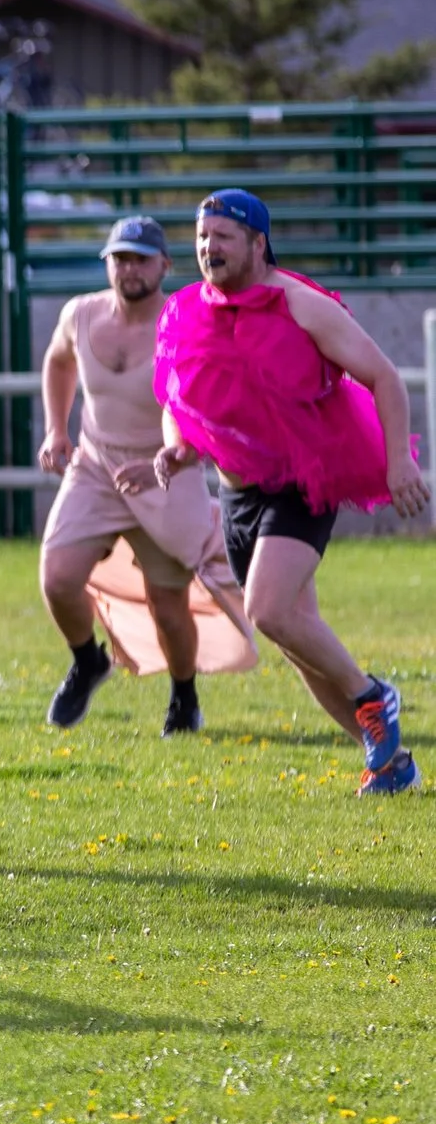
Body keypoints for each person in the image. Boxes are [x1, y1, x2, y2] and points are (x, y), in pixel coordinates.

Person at [152, 188, 430, 792]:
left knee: (269, 609)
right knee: (294, 635)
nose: (208, 248)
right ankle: (389, 763)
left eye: (222, 236)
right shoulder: (186, 309)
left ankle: (373, 695)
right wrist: (177, 445)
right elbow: (178, 398)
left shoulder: (302, 305)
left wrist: (399, 464)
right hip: (236, 496)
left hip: (303, 482)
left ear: (258, 243)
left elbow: (384, 377)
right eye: (202, 237)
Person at [37, 215, 254, 734]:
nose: (129, 268)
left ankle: (184, 696)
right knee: (58, 578)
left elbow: (214, 404)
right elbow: (58, 361)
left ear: (164, 265)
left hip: (164, 468)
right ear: (107, 263)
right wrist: (55, 430)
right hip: (95, 465)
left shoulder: (187, 319)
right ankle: (88, 660)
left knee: (168, 603)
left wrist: (177, 455)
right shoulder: (80, 313)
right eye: (120, 258)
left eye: (140, 258)